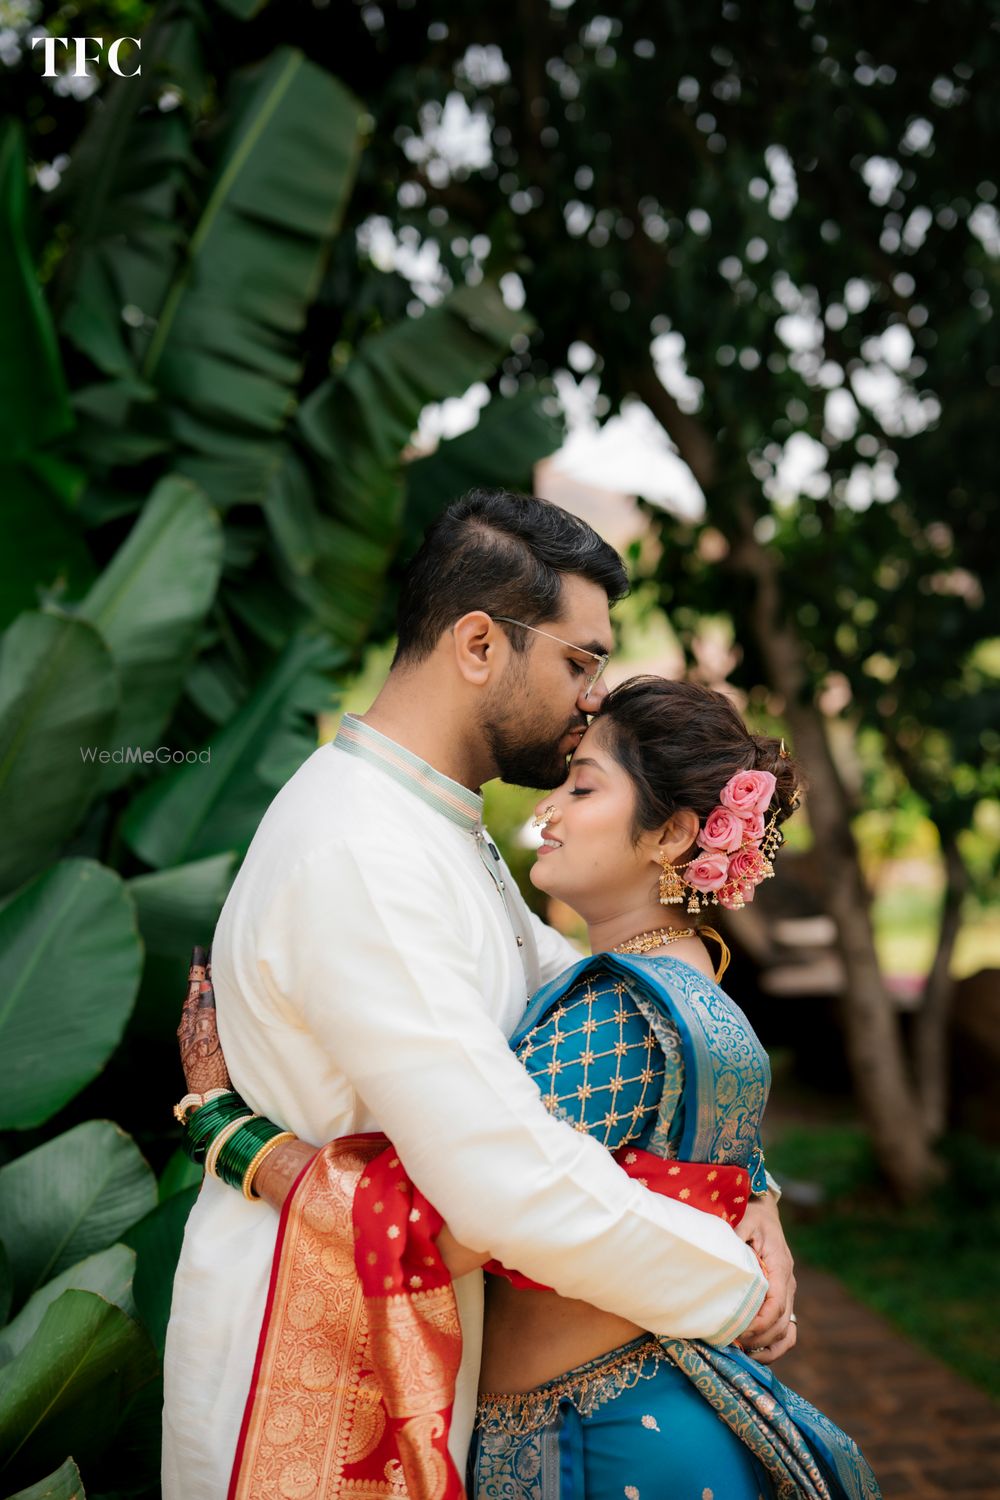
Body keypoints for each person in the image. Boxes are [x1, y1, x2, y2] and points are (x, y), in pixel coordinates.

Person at [162, 490, 796, 1500]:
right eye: (579, 661)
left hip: (409, 1342)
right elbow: (509, 1181)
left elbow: (590, 990)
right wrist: (730, 1280)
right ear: (476, 644)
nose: (594, 696)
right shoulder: (361, 846)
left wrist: (746, 1189)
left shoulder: (435, 828)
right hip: (317, 1368)